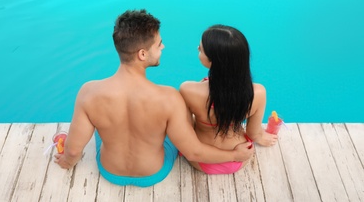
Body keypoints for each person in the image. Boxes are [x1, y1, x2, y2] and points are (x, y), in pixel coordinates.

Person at [54, 10, 254, 187]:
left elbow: (73, 152)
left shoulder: (88, 92)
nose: (163, 47)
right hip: (153, 173)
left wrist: (67, 162)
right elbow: (193, 153)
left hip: (110, 171)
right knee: (173, 126)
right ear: (142, 54)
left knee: (100, 125)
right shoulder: (169, 98)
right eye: (159, 44)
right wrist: (234, 155)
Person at [179, 24, 278, 175]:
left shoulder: (188, 90)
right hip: (240, 157)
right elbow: (253, 134)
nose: (198, 49)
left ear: (213, 60)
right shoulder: (257, 92)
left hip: (202, 159)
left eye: (201, 49)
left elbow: (188, 130)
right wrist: (262, 136)